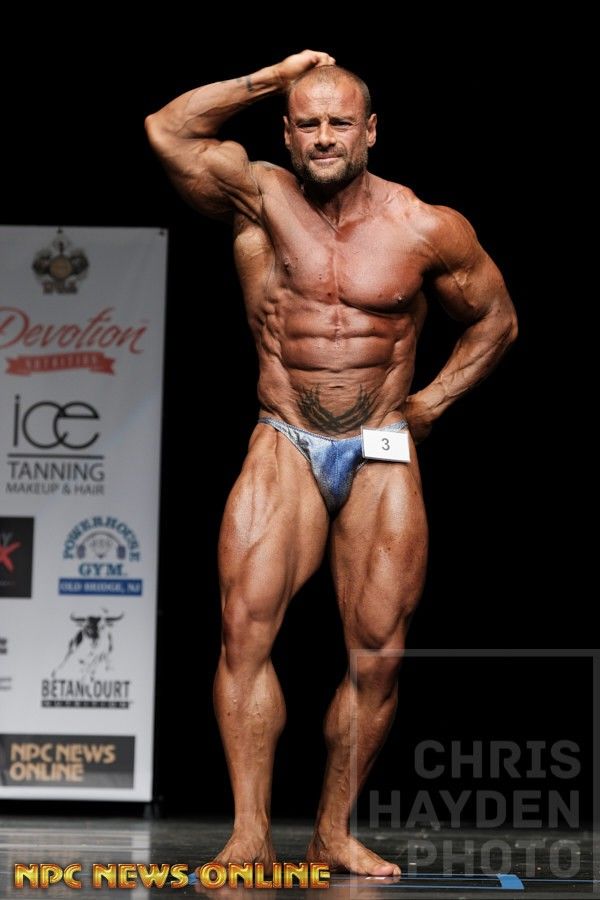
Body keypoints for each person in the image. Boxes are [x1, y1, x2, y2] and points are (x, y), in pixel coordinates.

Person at [146, 49, 517, 877]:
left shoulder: (424, 225)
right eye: (306, 122)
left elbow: (497, 320)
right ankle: (249, 833)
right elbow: (167, 130)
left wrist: (434, 402)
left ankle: (332, 832)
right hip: (284, 434)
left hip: (381, 442)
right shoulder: (259, 197)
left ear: (370, 131)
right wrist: (271, 76)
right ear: (285, 130)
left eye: (339, 122)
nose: (322, 137)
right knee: (244, 632)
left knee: (378, 651)